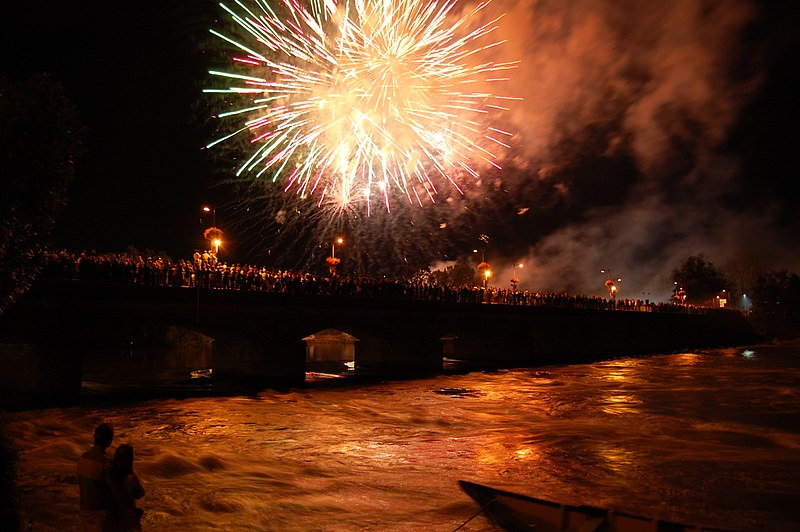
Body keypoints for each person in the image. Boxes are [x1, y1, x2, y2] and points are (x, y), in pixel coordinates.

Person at [77, 423, 115, 531]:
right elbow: (113, 490)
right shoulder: (106, 463)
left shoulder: (82, 458)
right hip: (100, 514)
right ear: (110, 440)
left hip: (84, 511)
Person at [109, 444, 145, 531]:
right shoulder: (131, 478)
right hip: (128, 514)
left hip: (113, 513)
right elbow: (141, 493)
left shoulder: (110, 475)